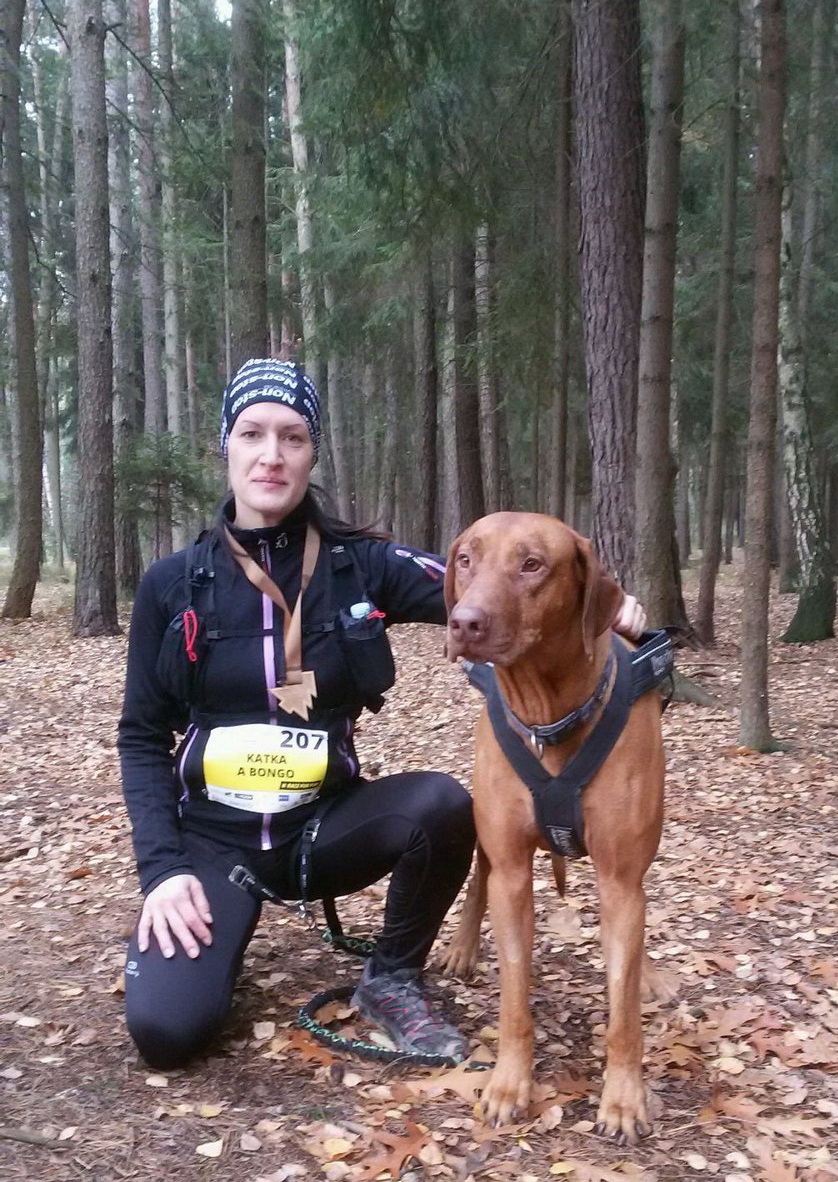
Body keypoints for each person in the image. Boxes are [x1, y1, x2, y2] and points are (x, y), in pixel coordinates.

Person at [118, 357, 646, 1073]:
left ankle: (392, 975)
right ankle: (213, 937)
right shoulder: (170, 585)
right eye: (253, 433)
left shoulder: (360, 565)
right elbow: (142, 736)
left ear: (312, 454)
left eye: (293, 437)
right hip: (213, 843)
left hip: (323, 827)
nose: (272, 454)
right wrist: (163, 870)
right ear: (227, 445)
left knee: (444, 804)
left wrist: (613, 614)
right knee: (167, 1032)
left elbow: (480, 590)